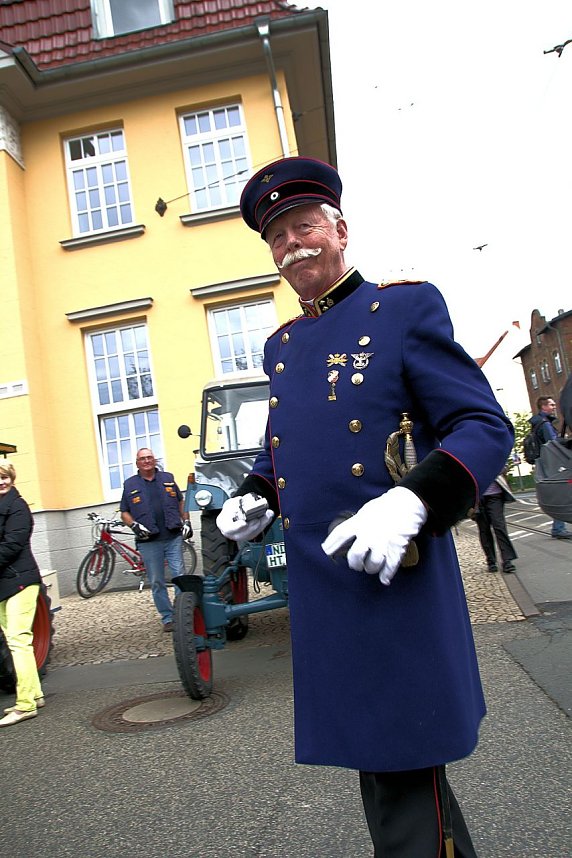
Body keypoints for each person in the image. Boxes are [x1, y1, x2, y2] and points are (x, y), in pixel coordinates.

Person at [215, 156, 514, 857]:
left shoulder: (403, 309)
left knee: (405, 766)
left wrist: (414, 499)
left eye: (305, 227)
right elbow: (286, 447)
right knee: (387, 771)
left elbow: (482, 425)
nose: (293, 245)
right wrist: (256, 495)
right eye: (278, 237)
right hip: (325, 588)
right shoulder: (283, 346)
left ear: (341, 230)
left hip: (393, 573)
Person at [120, 449, 196, 631]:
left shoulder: (167, 478)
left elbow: (181, 502)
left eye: (149, 457)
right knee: (156, 581)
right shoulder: (130, 484)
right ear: (137, 463)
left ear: (154, 460)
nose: (146, 461)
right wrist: (134, 526)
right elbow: (124, 512)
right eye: (142, 459)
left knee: (180, 576)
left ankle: (182, 614)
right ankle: (168, 618)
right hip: (149, 542)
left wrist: (186, 521)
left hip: (172, 537)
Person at [0, 461, 44, 727]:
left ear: (12, 478)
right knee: (14, 640)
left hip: (20, 581)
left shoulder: (17, 506)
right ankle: (35, 695)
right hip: (4, 584)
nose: (1, 482)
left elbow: (11, 545)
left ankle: (25, 705)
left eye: (4, 477)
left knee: (18, 641)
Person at [529, 396, 572, 539]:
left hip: (544, 462)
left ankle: (558, 527)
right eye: (551, 405)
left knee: (557, 491)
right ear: (544, 407)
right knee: (561, 491)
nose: (554, 407)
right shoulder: (545, 424)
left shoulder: (537, 423)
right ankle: (559, 528)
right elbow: (553, 444)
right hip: (553, 462)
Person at [474, 473, 517, 573]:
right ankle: (491, 561)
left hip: (495, 494)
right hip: (477, 497)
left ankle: (507, 560)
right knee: (484, 529)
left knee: (499, 526)